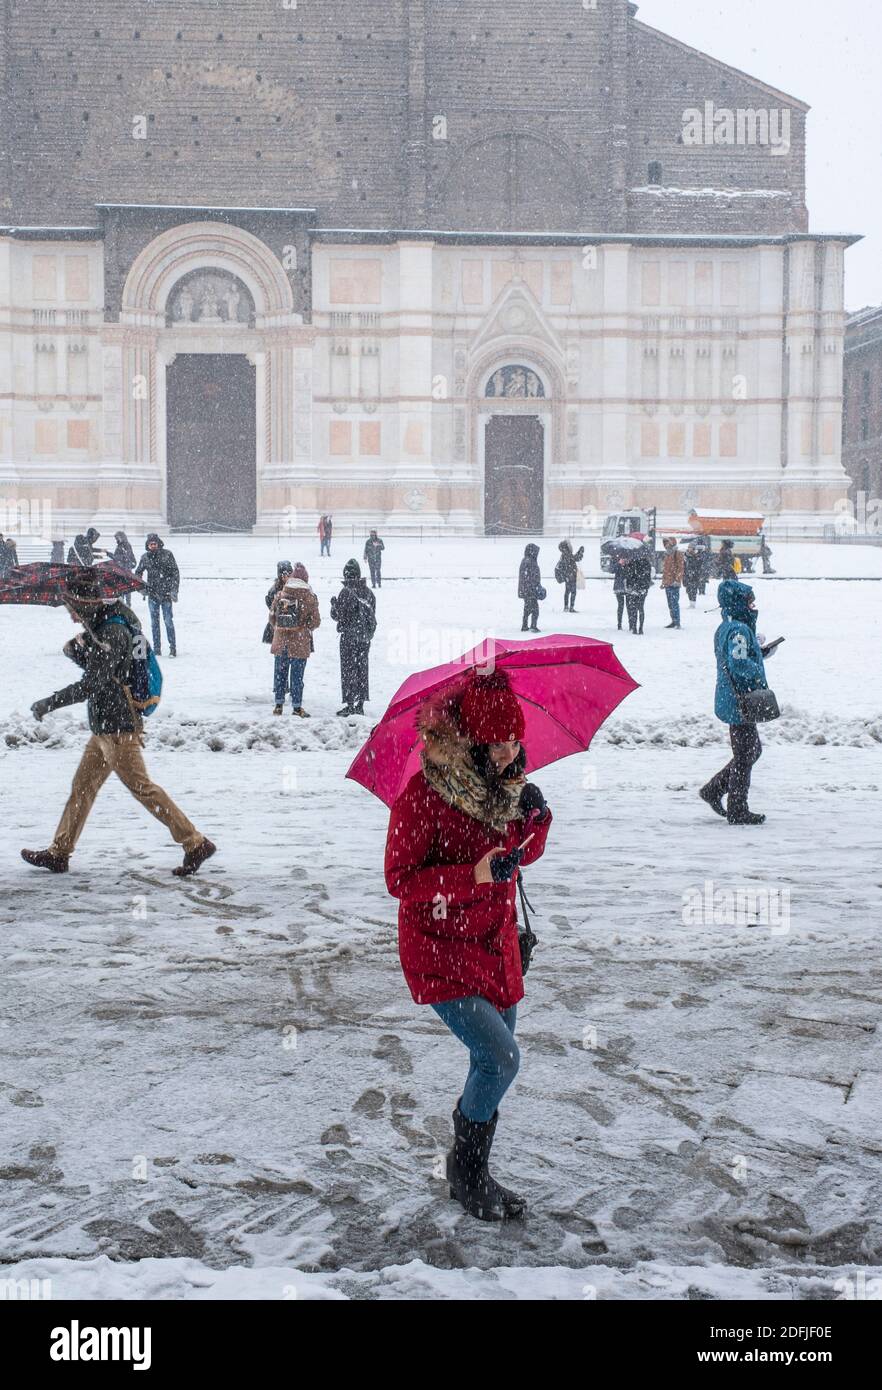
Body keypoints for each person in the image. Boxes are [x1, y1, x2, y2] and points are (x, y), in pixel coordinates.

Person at [384, 670, 553, 1222]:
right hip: (439, 952)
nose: (508, 753)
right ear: (471, 743)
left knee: (491, 1064)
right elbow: (401, 881)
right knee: (501, 1057)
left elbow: (518, 858)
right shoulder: (424, 797)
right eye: (497, 743)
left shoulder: (506, 789)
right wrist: (472, 874)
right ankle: (469, 1170)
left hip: (495, 946)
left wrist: (536, 823)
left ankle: (469, 1168)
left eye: (514, 741)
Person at [21, 570, 216, 876]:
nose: (71, 615)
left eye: (72, 608)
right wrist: (79, 652)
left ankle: (195, 842)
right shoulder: (101, 629)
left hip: (118, 727)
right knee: (82, 788)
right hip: (104, 727)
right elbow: (106, 673)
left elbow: (94, 683)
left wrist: (51, 702)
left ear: (83, 603)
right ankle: (59, 853)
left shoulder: (112, 632)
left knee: (143, 788)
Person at [699, 579, 770, 826]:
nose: (753, 605)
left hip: (732, 697)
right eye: (750, 601)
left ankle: (715, 790)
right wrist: (757, 669)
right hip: (740, 699)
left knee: (750, 751)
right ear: (739, 603)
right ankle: (737, 807)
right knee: (746, 754)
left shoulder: (729, 626)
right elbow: (739, 663)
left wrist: (760, 652)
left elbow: (736, 657)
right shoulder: (738, 629)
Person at [269, 563, 320, 717]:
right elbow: (315, 622)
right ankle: (297, 708)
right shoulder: (309, 597)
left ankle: (278, 705)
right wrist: (304, 627)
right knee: (297, 676)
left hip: (281, 641)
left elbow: (272, 617)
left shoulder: (280, 594)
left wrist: (281, 628)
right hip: (300, 642)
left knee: (280, 673)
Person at [330, 558, 376, 716]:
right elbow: (372, 616)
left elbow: (338, 617)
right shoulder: (368, 593)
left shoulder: (345, 592)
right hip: (364, 638)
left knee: (348, 670)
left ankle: (350, 704)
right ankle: (361, 704)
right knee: (362, 669)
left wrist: (334, 606)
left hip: (349, 638)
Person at [135, 534, 180, 657]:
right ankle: (157, 648)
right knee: (154, 623)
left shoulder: (167, 554)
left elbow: (175, 573)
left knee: (168, 621)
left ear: (159, 543)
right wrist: (141, 588)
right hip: (152, 594)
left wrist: (174, 590)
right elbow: (138, 573)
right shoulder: (145, 557)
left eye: (155, 543)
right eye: (151, 544)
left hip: (166, 593)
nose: (153, 546)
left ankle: (172, 648)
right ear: (148, 545)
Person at [623, 542, 652, 634]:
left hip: (634, 587)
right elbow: (648, 576)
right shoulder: (646, 562)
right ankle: (640, 628)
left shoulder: (633, 561)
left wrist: (626, 566)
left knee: (634, 608)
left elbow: (629, 575)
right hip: (642, 587)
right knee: (641, 608)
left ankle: (635, 627)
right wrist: (646, 586)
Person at [518, 544, 543, 632]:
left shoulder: (525, 560)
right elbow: (532, 577)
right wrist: (536, 587)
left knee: (527, 608)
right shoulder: (530, 562)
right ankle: (533, 625)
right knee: (535, 609)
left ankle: (525, 625)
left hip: (526, 590)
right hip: (530, 590)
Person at [660, 537, 684, 629]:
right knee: (670, 603)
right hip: (668, 583)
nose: (665, 545)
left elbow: (680, 568)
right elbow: (665, 570)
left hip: (674, 583)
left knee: (674, 603)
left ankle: (677, 622)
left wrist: (677, 580)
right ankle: (673, 621)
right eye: (665, 543)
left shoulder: (677, 553)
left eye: (667, 543)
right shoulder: (667, 555)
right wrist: (663, 582)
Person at [555, 539, 585, 613]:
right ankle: (571, 607)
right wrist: (580, 552)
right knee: (573, 592)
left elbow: (574, 558)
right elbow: (576, 558)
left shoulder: (564, 554)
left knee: (567, 591)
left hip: (568, 577)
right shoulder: (567, 554)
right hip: (571, 576)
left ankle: (566, 607)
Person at [684, 541, 704, 609]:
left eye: (690, 547)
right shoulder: (685, 555)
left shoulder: (697, 555)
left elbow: (699, 565)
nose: (689, 548)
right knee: (688, 589)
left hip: (695, 575)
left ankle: (693, 603)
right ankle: (690, 602)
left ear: (693, 548)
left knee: (693, 589)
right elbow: (684, 565)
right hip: (687, 575)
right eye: (688, 547)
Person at [613, 553, 628, 630]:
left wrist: (627, 565)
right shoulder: (617, 559)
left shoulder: (630, 562)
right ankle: (619, 623)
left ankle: (631, 623)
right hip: (619, 587)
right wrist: (619, 564)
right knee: (621, 605)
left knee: (630, 606)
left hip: (629, 586)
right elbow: (612, 570)